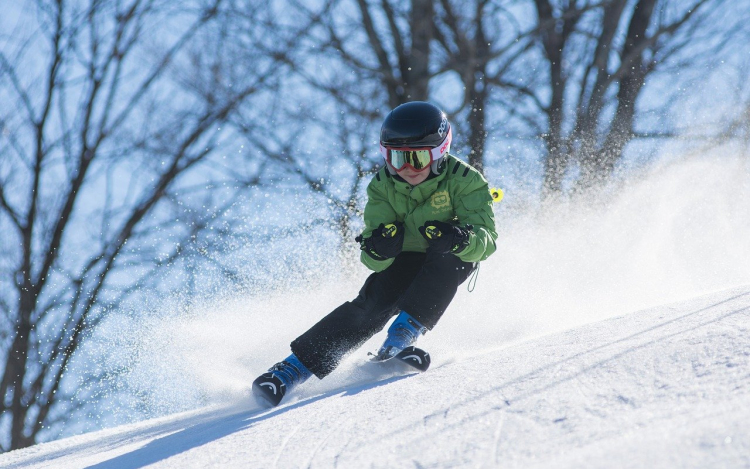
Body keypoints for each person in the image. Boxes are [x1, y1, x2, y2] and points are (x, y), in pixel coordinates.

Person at [252, 101, 498, 406]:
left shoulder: (466, 180)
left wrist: (460, 238)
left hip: (448, 254)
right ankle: (290, 370)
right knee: (372, 303)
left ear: (439, 153)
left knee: (451, 260)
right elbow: (371, 257)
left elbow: (487, 241)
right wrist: (379, 248)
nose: (406, 169)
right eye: (396, 158)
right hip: (404, 258)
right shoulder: (382, 185)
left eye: (417, 158)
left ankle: (400, 339)